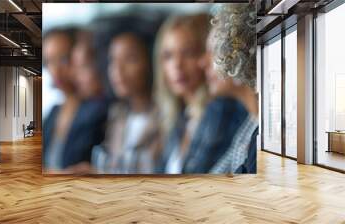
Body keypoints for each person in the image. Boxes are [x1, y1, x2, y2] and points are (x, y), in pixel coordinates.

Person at [198, 3, 258, 174]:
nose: (202, 62)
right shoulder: (249, 125)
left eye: (213, 51)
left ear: (240, 54)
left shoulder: (261, 133)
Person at [91, 32, 160, 174]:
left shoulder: (166, 116)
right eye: (113, 60)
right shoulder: (117, 114)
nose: (118, 69)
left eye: (130, 59)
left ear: (150, 61)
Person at [42, 27, 107, 174]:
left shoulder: (97, 109)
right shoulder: (53, 112)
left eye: (63, 59)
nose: (55, 70)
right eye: (49, 62)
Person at [153, 14, 210, 174]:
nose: (177, 64)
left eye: (188, 53)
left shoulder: (216, 114)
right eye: (168, 56)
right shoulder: (180, 118)